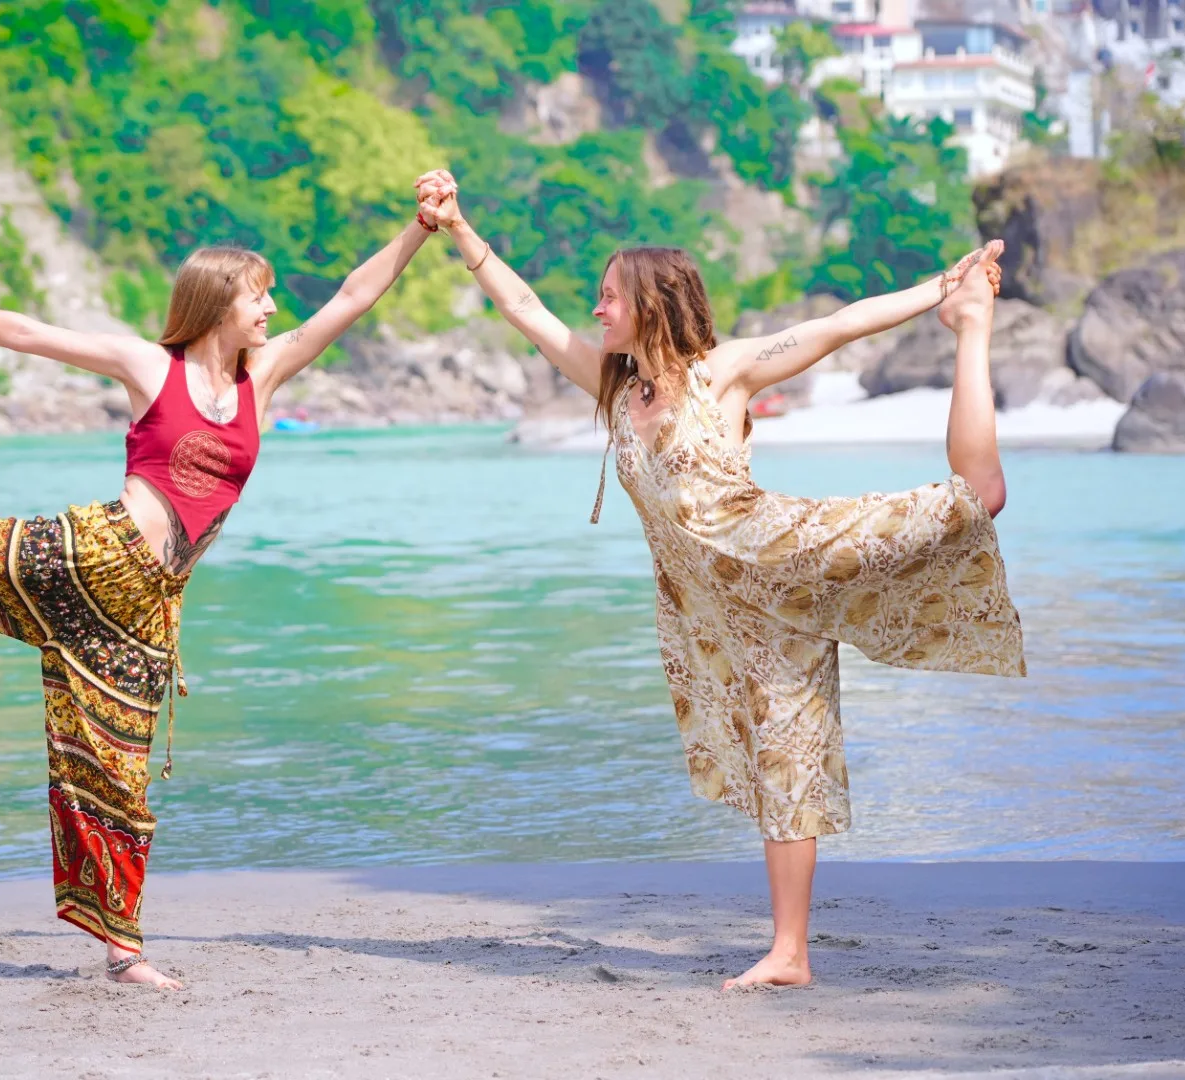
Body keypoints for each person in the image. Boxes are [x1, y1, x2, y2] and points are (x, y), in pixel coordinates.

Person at [414, 170, 1025, 990]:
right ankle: (789, 954)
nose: (595, 310)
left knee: (978, 497)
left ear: (652, 304)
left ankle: (972, 328)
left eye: (608, 297)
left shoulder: (722, 374)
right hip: (728, 609)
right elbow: (525, 311)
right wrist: (457, 229)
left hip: (786, 551)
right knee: (786, 759)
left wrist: (943, 289)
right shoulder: (614, 387)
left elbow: (836, 327)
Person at [0, 194, 442, 989]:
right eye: (258, 295)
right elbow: (35, 334)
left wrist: (420, 228)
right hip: (89, 556)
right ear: (218, 304)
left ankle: (122, 950)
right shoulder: (151, 367)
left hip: (144, 611)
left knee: (117, 778)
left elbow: (351, 297)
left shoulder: (261, 378)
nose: (273, 308)